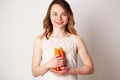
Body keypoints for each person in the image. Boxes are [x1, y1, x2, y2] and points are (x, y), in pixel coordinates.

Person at [32, 0, 94, 80]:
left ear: (68, 16)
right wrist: (49, 64)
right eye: (55, 14)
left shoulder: (76, 40)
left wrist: (70, 71)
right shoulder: (40, 40)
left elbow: (90, 68)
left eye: (64, 14)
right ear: (49, 16)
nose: (59, 18)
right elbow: (35, 72)